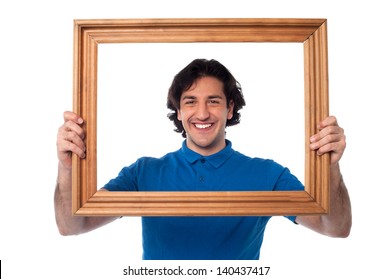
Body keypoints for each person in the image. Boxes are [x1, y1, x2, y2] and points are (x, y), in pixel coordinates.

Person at [55, 59, 351, 260]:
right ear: (179, 112)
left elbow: (335, 228)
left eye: (213, 100)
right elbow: (72, 226)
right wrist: (67, 168)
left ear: (230, 108)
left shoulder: (268, 174)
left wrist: (330, 165)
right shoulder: (144, 172)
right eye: (190, 101)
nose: (202, 113)